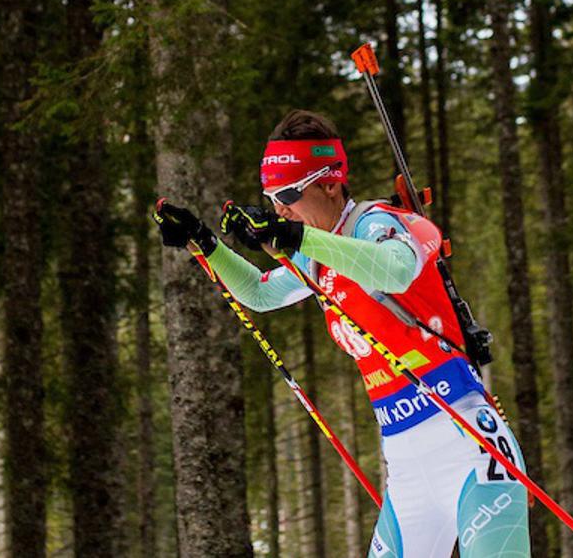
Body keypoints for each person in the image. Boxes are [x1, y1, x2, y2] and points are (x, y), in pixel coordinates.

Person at [155, 109, 531, 557]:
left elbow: (394, 268)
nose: (280, 210)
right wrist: (205, 242)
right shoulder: (316, 250)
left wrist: (296, 236)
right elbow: (259, 293)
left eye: (289, 195)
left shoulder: (377, 224)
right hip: (408, 470)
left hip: (470, 450)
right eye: (272, 199)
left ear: (331, 183)